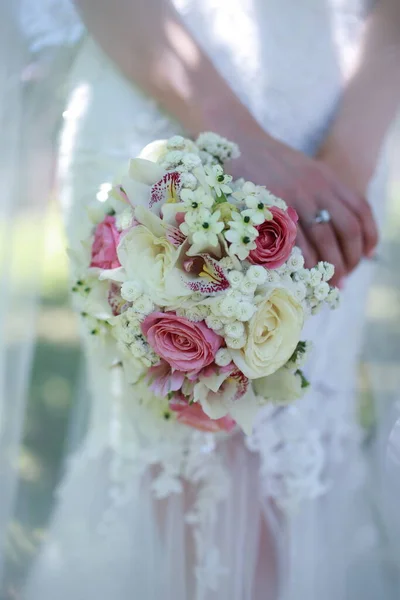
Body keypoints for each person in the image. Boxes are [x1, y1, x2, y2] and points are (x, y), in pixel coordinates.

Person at [23, 1, 400, 599]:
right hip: (157, 100)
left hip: (341, 120)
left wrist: (346, 168)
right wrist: (234, 134)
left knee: (294, 464)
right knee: (177, 474)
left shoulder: (341, 167)